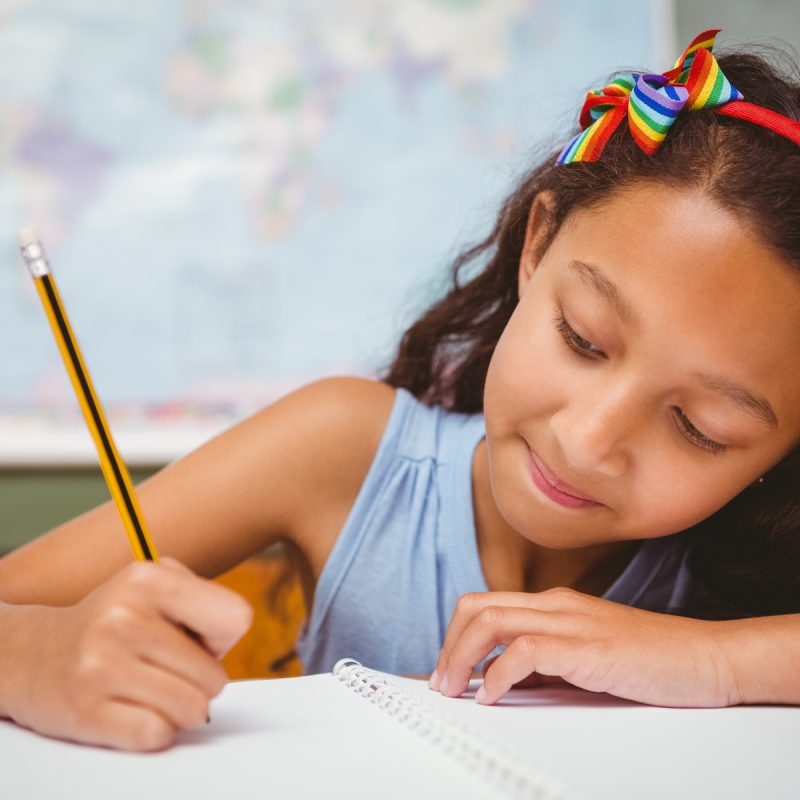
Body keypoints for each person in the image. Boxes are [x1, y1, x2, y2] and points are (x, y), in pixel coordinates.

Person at [1, 28, 800, 752]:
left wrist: (716, 662)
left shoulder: (750, 552)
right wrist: (33, 656)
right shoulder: (346, 449)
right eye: (582, 338)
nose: (588, 443)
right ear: (539, 244)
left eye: (702, 427)